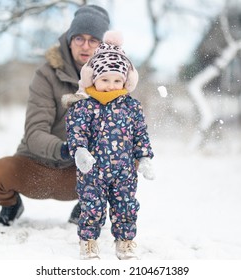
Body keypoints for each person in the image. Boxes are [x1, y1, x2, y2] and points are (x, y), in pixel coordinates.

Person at [0, 5, 110, 227]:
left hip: (80, 176)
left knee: (127, 159)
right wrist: (67, 149)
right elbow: (35, 132)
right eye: (79, 38)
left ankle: (88, 205)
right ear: (69, 40)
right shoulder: (46, 75)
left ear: (102, 45)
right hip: (36, 166)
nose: (85, 46)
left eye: (93, 40)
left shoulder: (113, 80)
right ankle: (11, 205)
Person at [63, 31, 155, 260]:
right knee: (91, 207)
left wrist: (144, 157)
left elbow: (140, 134)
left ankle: (125, 242)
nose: (111, 86)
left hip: (124, 172)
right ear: (93, 79)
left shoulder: (132, 107)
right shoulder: (84, 106)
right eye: (105, 80)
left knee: (126, 207)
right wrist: (80, 151)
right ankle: (89, 241)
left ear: (126, 81)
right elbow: (76, 132)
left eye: (117, 80)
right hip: (92, 172)